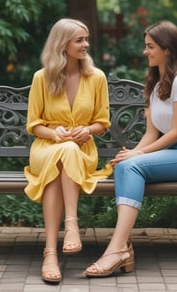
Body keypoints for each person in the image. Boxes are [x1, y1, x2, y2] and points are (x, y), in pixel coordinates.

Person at [84, 20, 177, 278]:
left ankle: (116, 249)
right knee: (125, 164)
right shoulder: (156, 84)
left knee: (132, 163)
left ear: (167, 49)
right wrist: (130, 152)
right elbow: (152, 133)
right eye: (146, 46)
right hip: (172, 151)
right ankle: (122, 248)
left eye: (150, 46)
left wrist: (139, 154)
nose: (145, 52)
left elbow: (176, 132)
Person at [24, 18, 112, 284]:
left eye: (86, 39)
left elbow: (103, 121)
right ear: (62, 44)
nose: (86, 44)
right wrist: (55, 133)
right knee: (63, 152)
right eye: (79, 40)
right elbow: (33, 124)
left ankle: (50, 253)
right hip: (46, 148)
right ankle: (71, 225)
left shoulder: (97, 77)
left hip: (82, 151)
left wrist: (88, 130)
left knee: (68, 153)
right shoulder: (42, 77)